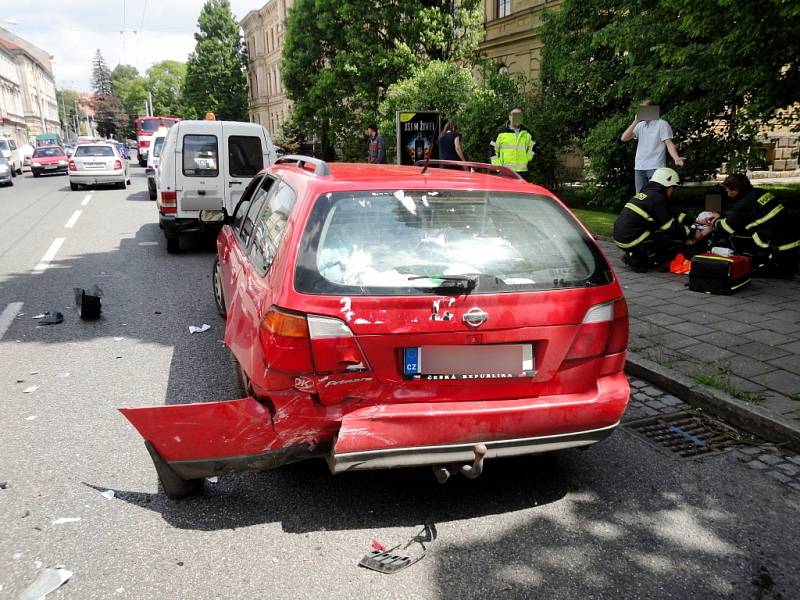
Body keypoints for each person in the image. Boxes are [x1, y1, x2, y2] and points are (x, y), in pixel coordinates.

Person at [701, 174, 800, 277]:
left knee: (735, 236)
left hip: (778, 247)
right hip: (792, 239)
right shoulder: (759, 193)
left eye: (728, 191)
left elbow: (727, 227)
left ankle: (759, 261)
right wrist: (721, 215)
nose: (728, 195)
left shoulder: (744, 204)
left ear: (735, 190)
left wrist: (715, 222)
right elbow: (742, 215)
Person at [613, 167, 692, 272]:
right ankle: (638, 259)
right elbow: (670, 226)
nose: (673, 190)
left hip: (622, 237)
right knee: (668, 236)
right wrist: (691, 233)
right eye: (672, 187)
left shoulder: (649, 194)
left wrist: (694, 220)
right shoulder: (658, 198)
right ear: (666, 185)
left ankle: (635, 254)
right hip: (630, 239)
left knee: (658, 230)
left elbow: (670, 213)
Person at [621, 100, 686, 193]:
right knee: (640, 197)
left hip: (656, 167)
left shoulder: (662, 124)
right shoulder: (640, 125)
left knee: (654, 195)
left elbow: (668, 142)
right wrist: (635, 121)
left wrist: (676, 158)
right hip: (639, 167)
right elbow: (624, 138)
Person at [490, 108, 534, 177]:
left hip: (523, 172)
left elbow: (533, 148)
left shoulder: (527, 133)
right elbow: (492, 150)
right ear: (509, 117)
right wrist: (498, 168)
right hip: (505, 172)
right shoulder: (500, 132)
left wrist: (527, 159)